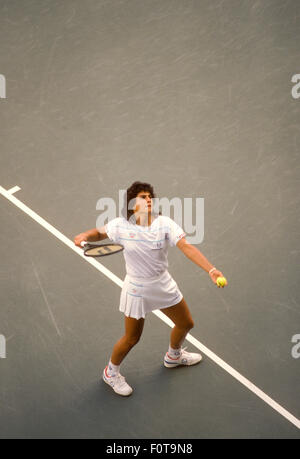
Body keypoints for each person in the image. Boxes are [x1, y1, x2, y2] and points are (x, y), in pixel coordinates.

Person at [74, 181, 227, 396]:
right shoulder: (120, 225)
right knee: (132, 338)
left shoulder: (164, 224)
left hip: (162, 283)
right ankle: (111, 372)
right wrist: (84, 236)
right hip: (137, 288)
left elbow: (186, 247)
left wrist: (211, 269)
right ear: (131, 204)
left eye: (149, 197)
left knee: (186, 323)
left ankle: (173, 356)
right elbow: (99, 233)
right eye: (142, 197)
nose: (148, 200)